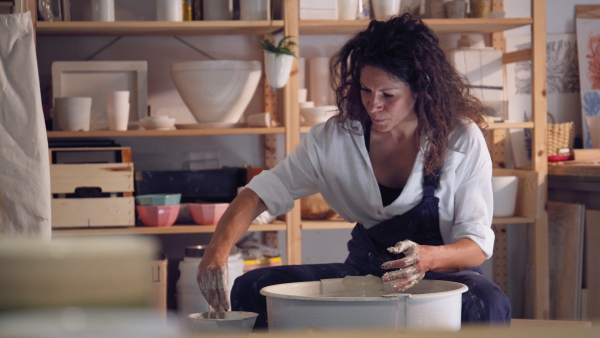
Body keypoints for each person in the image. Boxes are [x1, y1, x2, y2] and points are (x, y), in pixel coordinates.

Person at [197, 13, 511, 328]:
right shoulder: (334, 140)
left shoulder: (459, 139)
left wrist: (429, 258)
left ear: (419, 90)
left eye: (388, 95)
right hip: (365, 277)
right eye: (365, 90)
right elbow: (259, 193)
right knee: (254, 287)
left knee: (487, 301)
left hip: (443, 280)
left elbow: (476, 246)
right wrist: (217, 250)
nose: (373, 105)